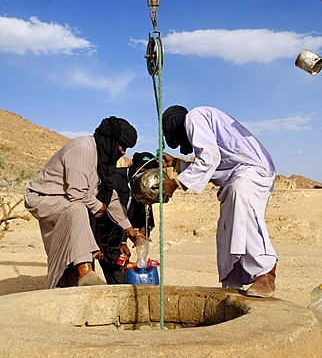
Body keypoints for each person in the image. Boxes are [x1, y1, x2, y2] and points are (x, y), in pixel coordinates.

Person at [162, 105, 277, 298]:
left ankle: (266, 273)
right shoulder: (203, 121)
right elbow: (217, 166)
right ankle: (233, 281)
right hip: (237, 175)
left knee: (243, 206)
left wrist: (176, 183)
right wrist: (177, 164)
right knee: (228, 228)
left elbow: (210, 159)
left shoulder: (194, 117)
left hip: (251, 171)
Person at [24, 116, 146, 289]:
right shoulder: (83, 150)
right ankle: (85, 270)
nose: (124, 152)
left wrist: (129, 229)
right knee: (79, 209)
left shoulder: (103, 161)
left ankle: (78, 275)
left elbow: (109, 196)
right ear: (111, 140)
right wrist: (98, 206)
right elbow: (77, 193)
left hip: (66, 201)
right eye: (122, 146)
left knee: (69, 240)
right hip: (45, 198)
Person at [95, 152, 158, 284]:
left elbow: (129, 218)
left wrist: (123, 242)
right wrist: (98, 245)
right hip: (98, 236)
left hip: (115, 242)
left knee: (121, 281)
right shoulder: (114, 179)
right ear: (139, 169)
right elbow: (98, 216)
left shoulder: (141, 188)